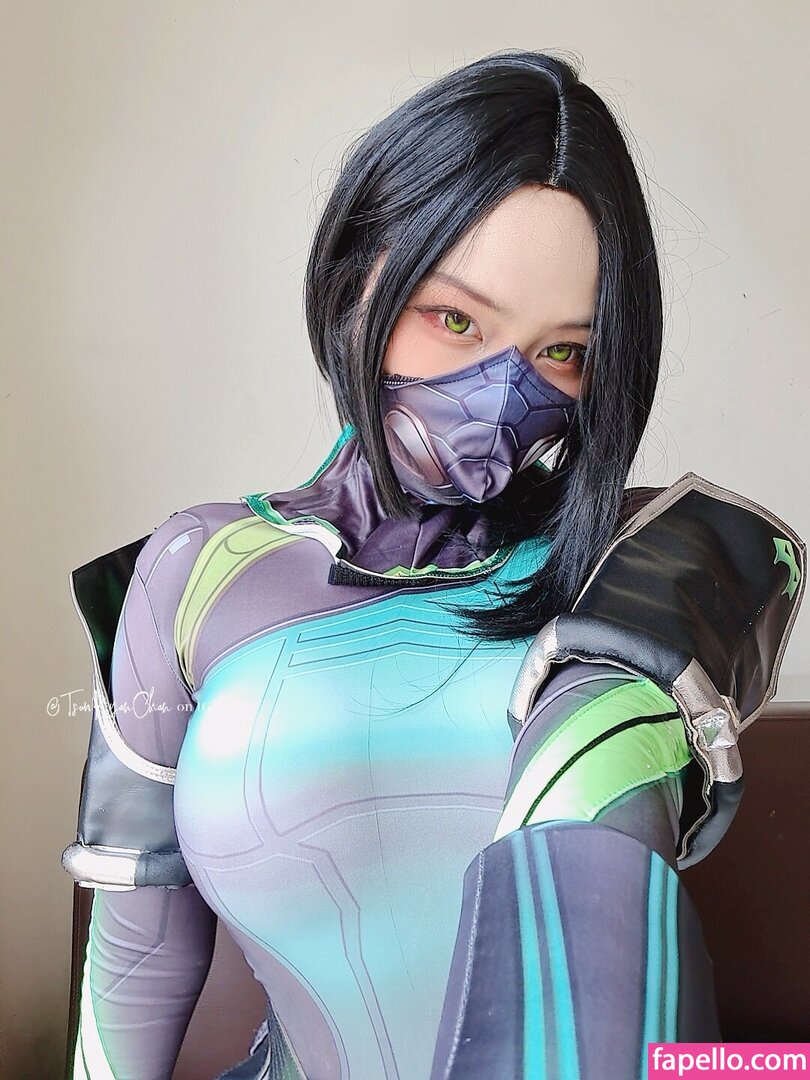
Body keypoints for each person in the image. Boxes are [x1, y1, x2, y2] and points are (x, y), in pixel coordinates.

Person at [62, 49, 804, 1080]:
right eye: (455, 320)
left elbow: (607, 894)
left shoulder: (650, 562)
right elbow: (137, 961)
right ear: (354, 281)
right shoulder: (194, 573)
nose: (502, 401)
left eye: (563, 352)